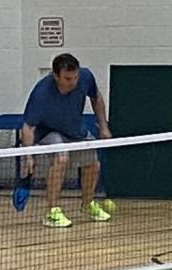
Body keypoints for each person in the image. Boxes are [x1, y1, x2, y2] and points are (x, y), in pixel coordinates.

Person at [21, 53, 114, 228]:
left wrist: (103, 126)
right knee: (61, 157)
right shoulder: (41, 93)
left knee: (93, 164)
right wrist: (28, 156)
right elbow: (28, 127)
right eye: (68, 78)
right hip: (48, 132)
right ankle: (52, 211)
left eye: (75, 77)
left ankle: (87, 204)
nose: (73, 82)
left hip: (74, 129)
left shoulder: (85, 77)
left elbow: (96, 98)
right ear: (55, 76)